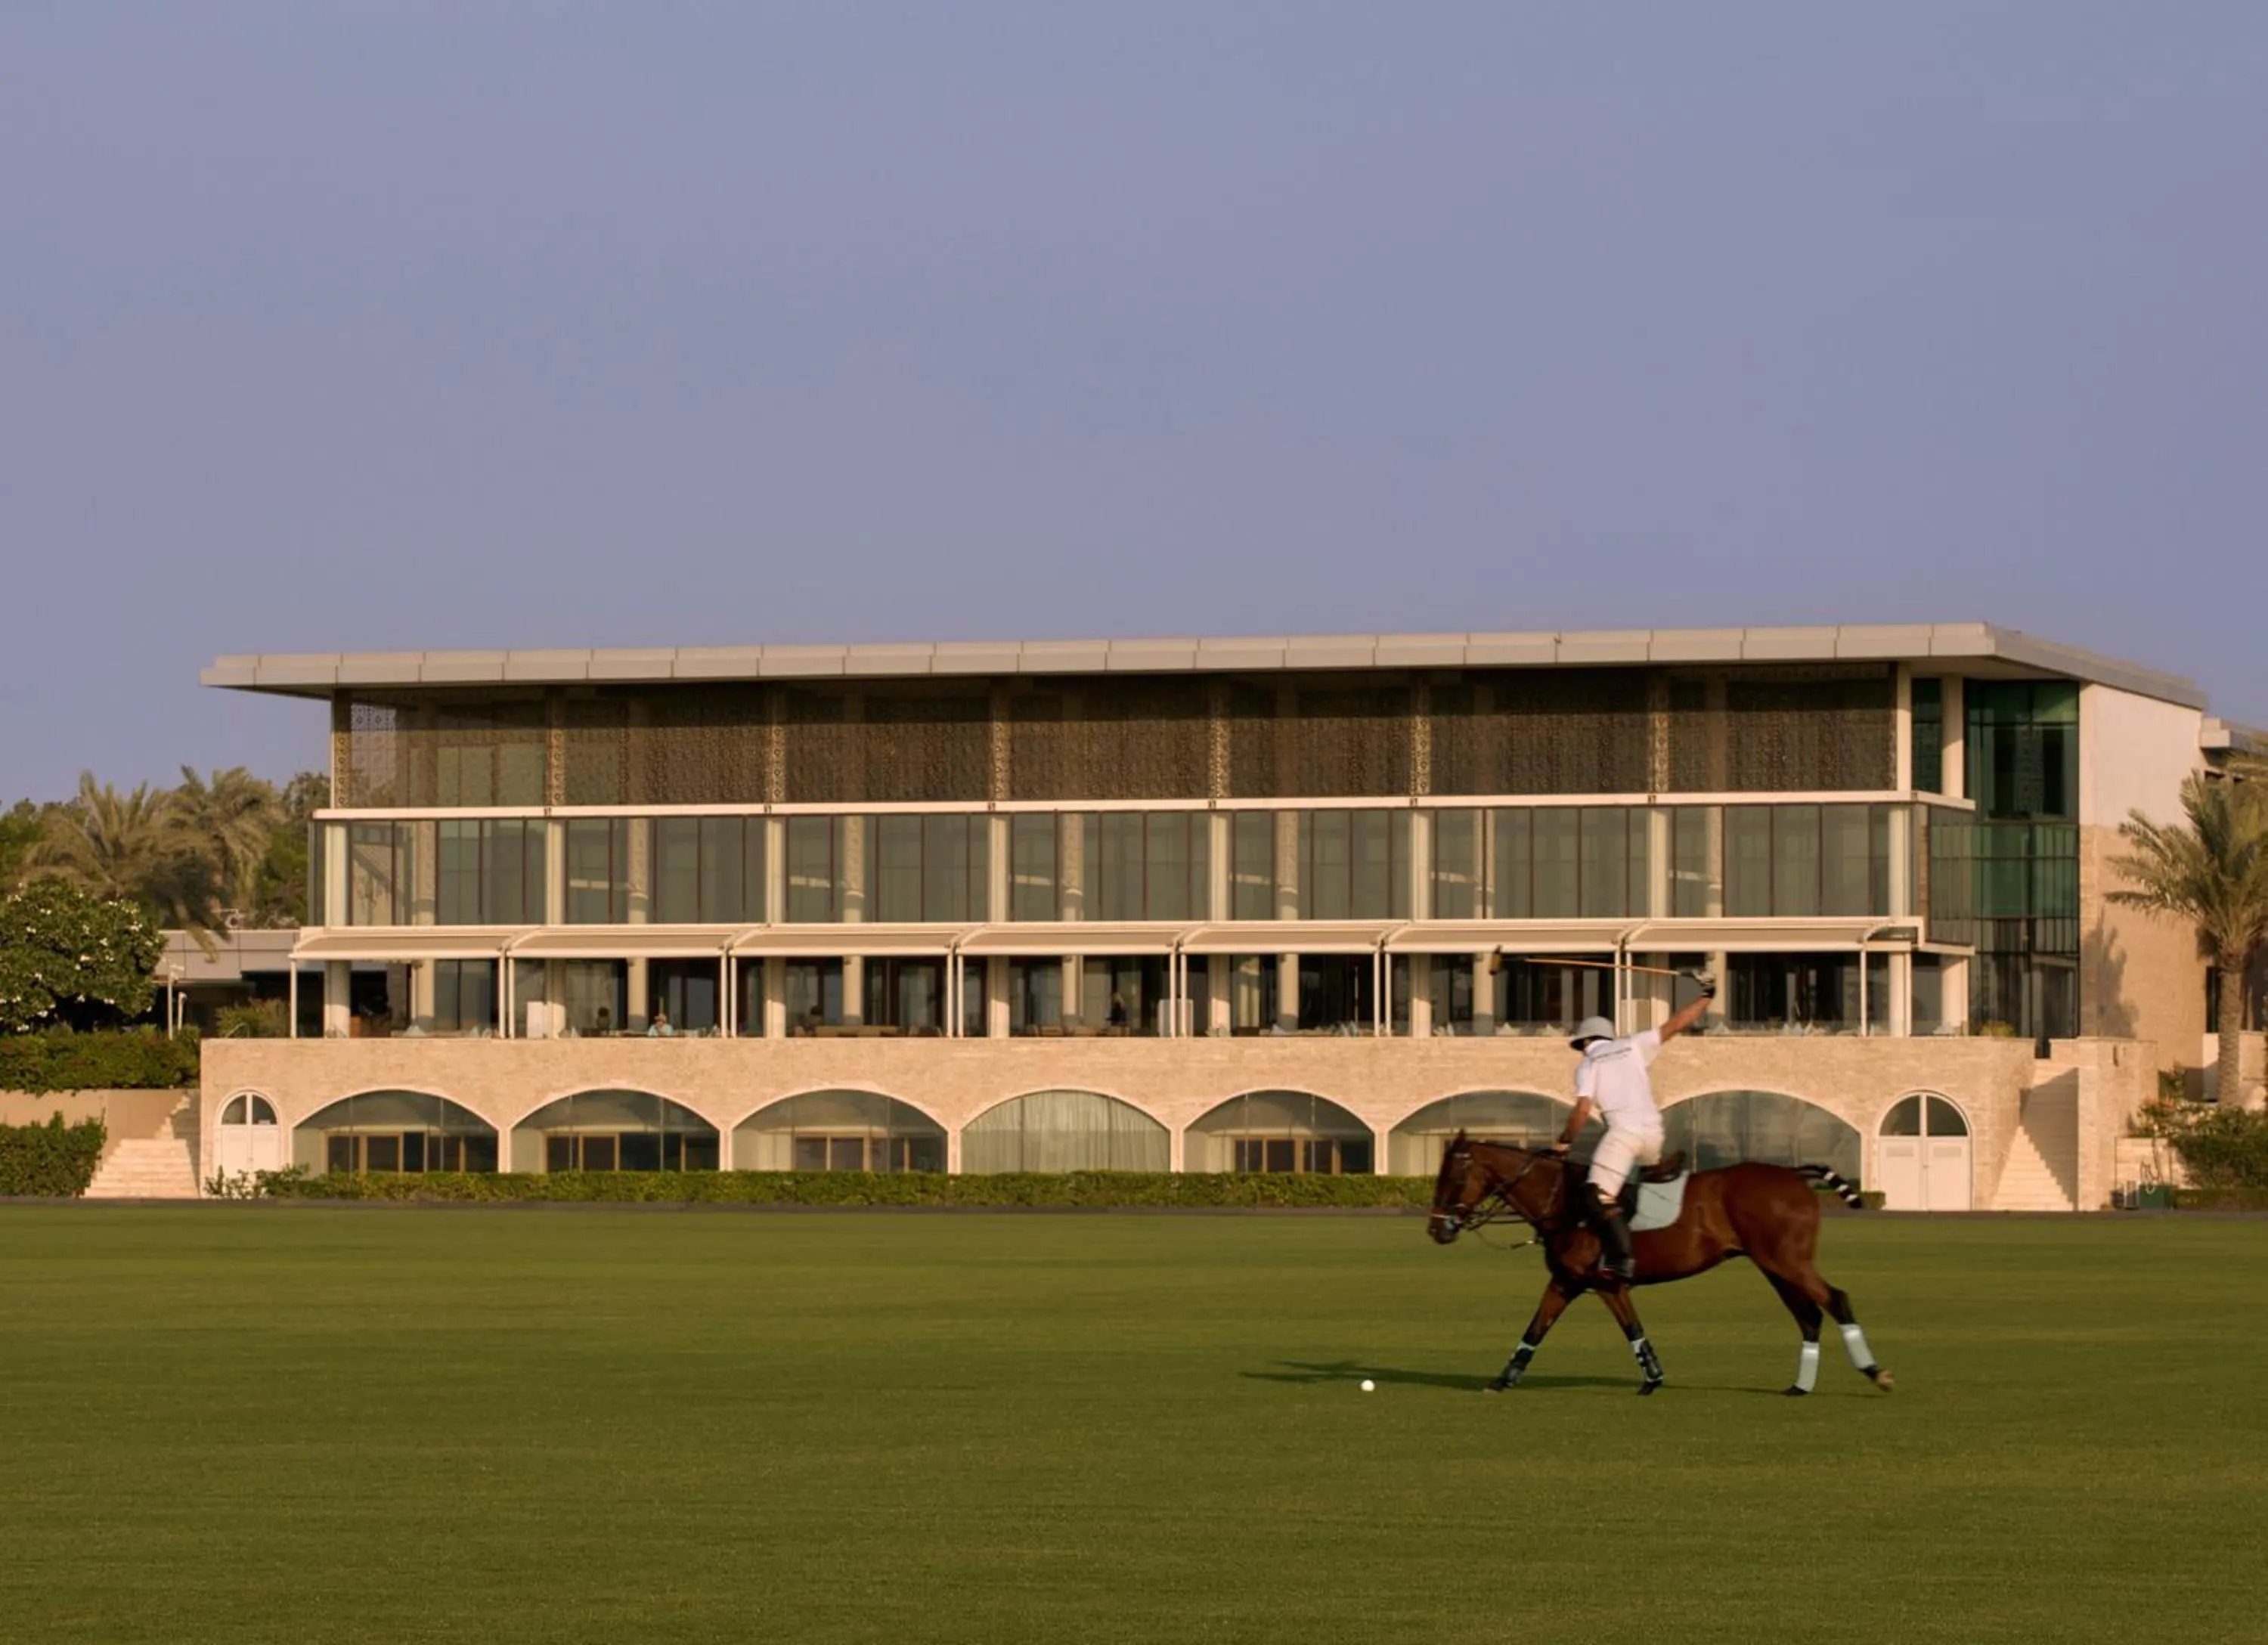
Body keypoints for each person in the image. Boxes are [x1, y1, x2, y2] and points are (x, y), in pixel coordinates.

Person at [1551, 971, 1717, 1284]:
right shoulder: (1634, 1045)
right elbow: (1678, 1023)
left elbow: (1582, 1111)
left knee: (1597, 1197)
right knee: (1628, 1192)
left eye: (1580, 1045)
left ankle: (1621, 1261)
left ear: (1585, 1041)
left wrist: (1564, 1143)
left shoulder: (1588, 1064)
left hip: (1623, 1135)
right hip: (1653, 1134)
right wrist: (1707, 994)